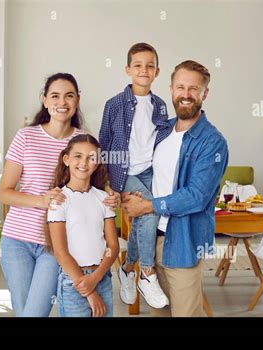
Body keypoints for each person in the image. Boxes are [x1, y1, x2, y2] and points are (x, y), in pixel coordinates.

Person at [0, 73, 120, 317]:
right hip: (16, 241)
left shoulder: (81, 141)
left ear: (77, 101)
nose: (61, 102)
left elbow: (93, 186)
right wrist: (40, 200)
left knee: (34, 313)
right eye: (54, 95)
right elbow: (4, 193)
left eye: (69, 96)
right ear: (44, 100)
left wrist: (111, 196)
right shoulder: (26, 136)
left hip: (55, 246)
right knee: (24, 313)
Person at [122, 60, 229, 317]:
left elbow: (196, 197)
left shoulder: (212, 142)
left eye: (194, 89)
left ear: (205, 93)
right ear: (170, 88)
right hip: (151, 239)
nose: (186, 94)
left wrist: (147, 206)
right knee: (159, 314)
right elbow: (140, 168)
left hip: (183, 243)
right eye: (180, 87)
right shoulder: (162, 130)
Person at [99, 42, 171, 309]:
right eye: (138, 65)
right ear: (128, 69)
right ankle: (147, 272)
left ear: (157, 71)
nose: (144, 70)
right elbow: (104, 141)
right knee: (150, 210)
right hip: (124, 171)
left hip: (151, 171)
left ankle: (128, 267)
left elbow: (163, 140)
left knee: (147, 215)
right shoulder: (114, 104)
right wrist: (108, 183)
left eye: (150, 65)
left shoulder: (161, 105)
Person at [47, 134, 119, 317]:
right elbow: (60, 252)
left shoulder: (104, 198)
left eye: (91, 158)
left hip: (102, 277)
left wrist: (95, 279)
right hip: (73, 281)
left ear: (97, 163)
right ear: (66, 159)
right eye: (78, 156)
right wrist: (89, 290)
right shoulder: (59, 200)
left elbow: (113, 246)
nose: (84, 162)